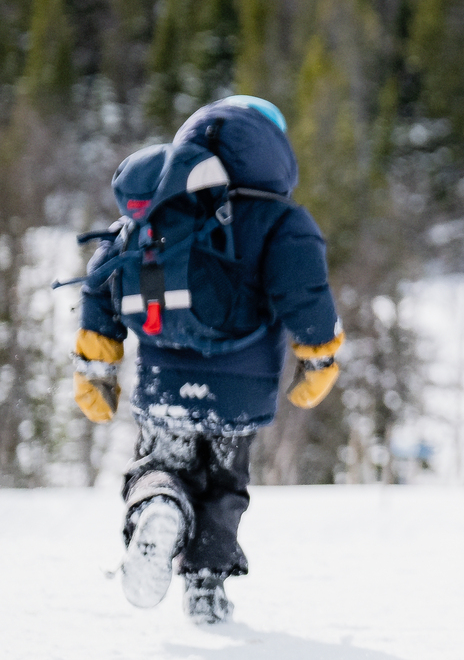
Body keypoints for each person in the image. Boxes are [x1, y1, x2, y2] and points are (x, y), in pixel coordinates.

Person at [71, 95, 342, 624]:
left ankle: (159, 507)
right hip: (240, 388)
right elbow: (304, 293)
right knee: (223, 485)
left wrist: (96, 366)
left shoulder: (160, 211)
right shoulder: (278, 219)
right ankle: (206, 589)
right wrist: (318, 358)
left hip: (164, 380)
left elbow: (103, 279)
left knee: (159, 466)